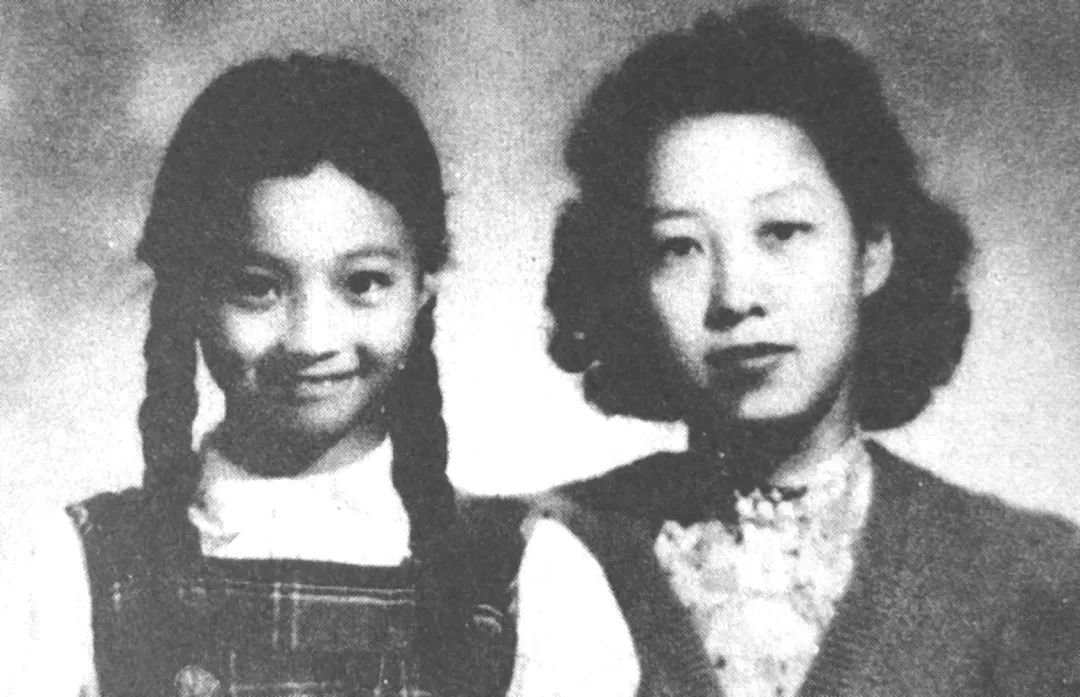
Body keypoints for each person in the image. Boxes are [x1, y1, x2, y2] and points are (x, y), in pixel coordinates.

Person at [506, 7, 1080, 696]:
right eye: (679, 247)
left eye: (781, 231)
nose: (735, 295)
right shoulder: (551, 545)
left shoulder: (1028, 579)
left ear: (871, 252)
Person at [13, 54, 510, 697]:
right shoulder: (83, 566)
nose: (311, 340)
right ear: (189, 296)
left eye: (363, 283)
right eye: (257, 287)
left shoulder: (513, 573)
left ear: (421, 292)